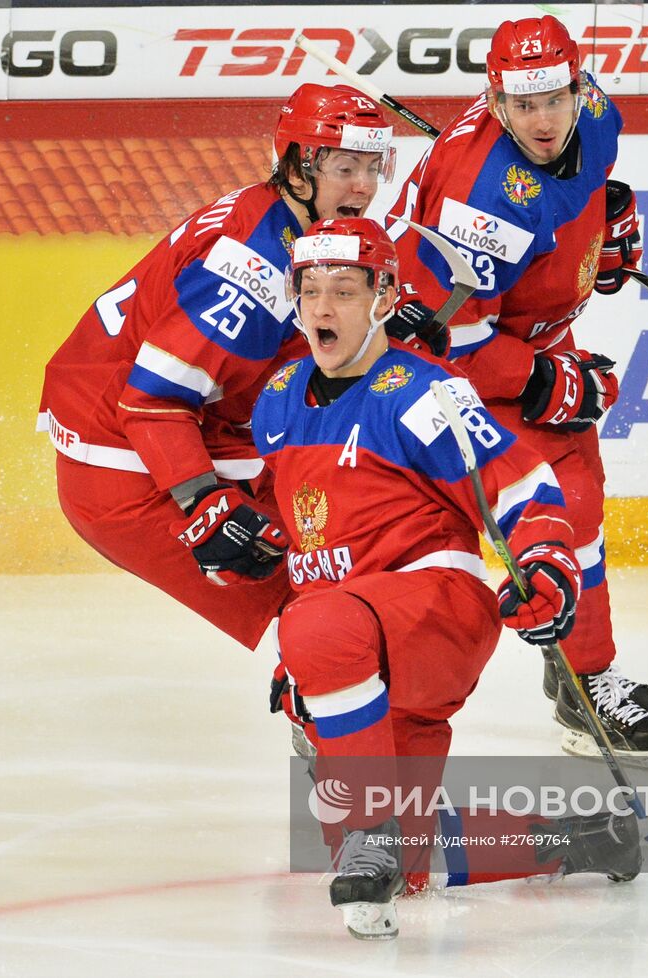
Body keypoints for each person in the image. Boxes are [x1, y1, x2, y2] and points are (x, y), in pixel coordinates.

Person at [252, 218, 640, 940]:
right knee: (398, 859)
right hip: (358, 643)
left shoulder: (423, 391)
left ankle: (371, 823)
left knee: (316, 630)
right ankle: (580, 839)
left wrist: (548, 559)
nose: (323, 308)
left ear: (385, 296)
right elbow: (304, 543)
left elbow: (519, 482)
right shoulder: (276, 400)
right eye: (310, 292)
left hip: (436, 611)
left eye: (344, 290)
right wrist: (300, 665)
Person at [386, 15, 648, 758]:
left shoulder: (598, 114)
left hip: (532, 331)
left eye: (555, 98)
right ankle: (338, 700)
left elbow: (586, 182)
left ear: (579, 86)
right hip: (439, 362)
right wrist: (549, 379)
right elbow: (450, 338)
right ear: (494, 98)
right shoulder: (479, 200)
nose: (542, 121)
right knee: (429, 547)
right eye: (522, 105)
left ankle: (585, 679)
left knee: (578, 504)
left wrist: (606, 218)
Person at [36, 84, 397, 651]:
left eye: (373, 168)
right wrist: (205, 504)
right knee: (324, 570)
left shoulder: (289, 222)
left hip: (176, 430)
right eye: (347, 167)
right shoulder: (255, 268)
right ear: (300, 167)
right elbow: (152, 401)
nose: (365, 187)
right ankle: (326, 709)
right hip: (125, 461)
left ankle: (328, 692)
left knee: (352, 524)